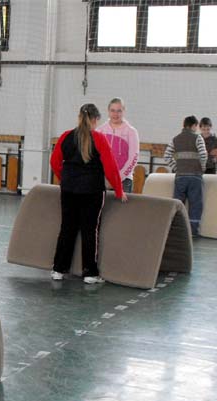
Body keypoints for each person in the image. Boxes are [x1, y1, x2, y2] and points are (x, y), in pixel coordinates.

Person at [50, 103, 127, 284]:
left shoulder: (66, 136)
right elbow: (110, 167)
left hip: (69, 190)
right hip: (91, 191)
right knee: (90, 231)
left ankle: (58, 269)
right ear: (95, 119)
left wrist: (65, 179)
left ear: (79, 117)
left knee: (67, 229)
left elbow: (54, 162)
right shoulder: (99, 138)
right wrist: (119, 190)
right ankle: (90, 273)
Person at [164, 115, 208, 237]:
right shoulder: (198, 138)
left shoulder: (175, 139)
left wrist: (176, 167)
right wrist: (202, 168)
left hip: (180, 176)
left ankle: (175, 230)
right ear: (193, 125)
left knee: (178, 204)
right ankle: (192, 231)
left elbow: (166, 156)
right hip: (195, 176)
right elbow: (203, 155)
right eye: (196, 126)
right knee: (195, 204)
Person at [96, 97, 140, 193]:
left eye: (119, 111)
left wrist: (119, 177)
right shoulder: (100, 131)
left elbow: (134, 158)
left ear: (124, 111)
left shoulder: (131, 132)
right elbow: (95, 155)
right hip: (102, 178)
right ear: (108, 111)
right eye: (113, 110)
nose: (115, 114)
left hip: (124, 180)